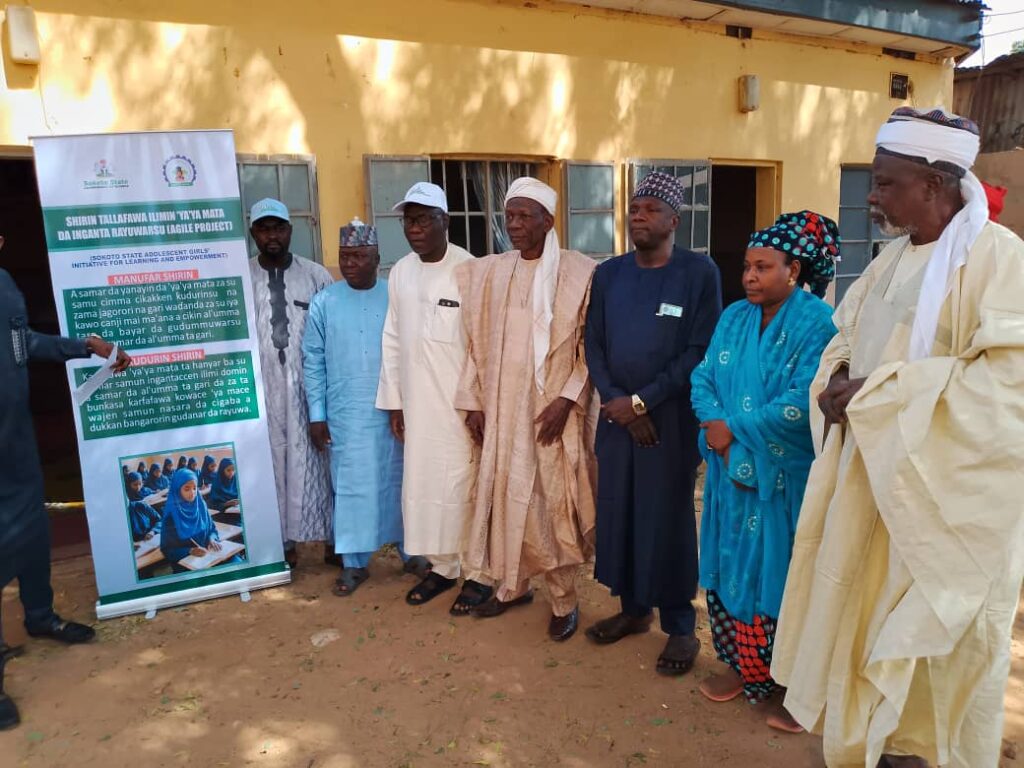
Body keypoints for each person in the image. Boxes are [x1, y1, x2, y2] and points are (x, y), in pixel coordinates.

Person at [771, 107, 1024, 768]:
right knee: (864, 631)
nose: (872, 198)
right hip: (871, 493)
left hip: (948, 518)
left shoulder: (1001, 261)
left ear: (936, 185)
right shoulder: (887, 264)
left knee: (937, 674)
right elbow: (845, 340)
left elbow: (1010, 387)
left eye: (884, 183)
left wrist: (881, 394)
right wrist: (836, 382)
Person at [690, 211, 838, 730]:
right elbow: (703, 374)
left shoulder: (818, 324)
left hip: (781, 481)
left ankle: (790, 685)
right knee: (730, 568)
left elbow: (805, 401)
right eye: (747, 267)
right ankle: (737, 667)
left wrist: (733, 427)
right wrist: (713, 424)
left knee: (782, 577)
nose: (749, 276)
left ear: (794, 270)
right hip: (730, 473)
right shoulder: (733, 317)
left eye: (762, 267)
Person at [583, 172, 722, 674]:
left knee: (665, 517)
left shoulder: (699, 273)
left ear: (673, 220)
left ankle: (681, 628)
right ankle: (633, 610)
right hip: (617, 419)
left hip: (669, 421)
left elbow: (698, 350)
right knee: (620, 512)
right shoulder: (610, 274)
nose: (638, 216)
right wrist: (619, 401)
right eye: (634, 209)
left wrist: (644, 402)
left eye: (649, 209)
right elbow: (593, 344)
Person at [455, 177, 597, 641]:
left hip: (550, 413)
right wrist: (474, 400)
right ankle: (512, 586)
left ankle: (563, 599)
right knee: (502, 498)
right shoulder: (492, 273)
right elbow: (473, 342)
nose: (513, 225)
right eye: (508, 216)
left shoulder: (578, 273)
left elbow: (590, 348)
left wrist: (567, 399)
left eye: (523, 216)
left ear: (548, 221)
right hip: (501, 411)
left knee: (551, 504)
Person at [0, 230, 131, 729]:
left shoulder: (6, 285)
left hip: (14, 438)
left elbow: (22, 342)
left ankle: (40, 616)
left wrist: (84, 346)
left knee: (32, 530)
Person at [375, 182, 489, 612]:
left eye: (424, 219)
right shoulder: (401, 271)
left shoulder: (471, 269)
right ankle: (442, 568)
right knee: (424, 485)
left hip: (459, 406)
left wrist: (477, 401)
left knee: (464, 484)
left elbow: (482, 344)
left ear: (446, 221)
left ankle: (478, 573)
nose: (415, 228)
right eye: (409, 220)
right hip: (418, 407)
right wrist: (395, 401)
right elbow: (391, 339)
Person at [304, 219, 405, 597]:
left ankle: (411, 551)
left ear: (377, 258)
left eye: (359, 256)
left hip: (393, 409)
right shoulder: (325, 302)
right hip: (345, 413)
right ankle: (354, 563)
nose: (350, 263)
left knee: (399, 479)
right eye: (345, 256)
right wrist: (317, 414)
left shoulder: (395, 296)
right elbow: (312, 360)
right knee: (351, 487)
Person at [248, 197, 334, 568]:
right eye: (264, 228)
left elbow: (332, 334)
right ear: (253, 232)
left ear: (290, 231)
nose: (272, 235)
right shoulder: (239, 277)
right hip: (261, 389)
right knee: (271, 462)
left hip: (309, 388)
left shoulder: (316, 276)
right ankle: (283, 545)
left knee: (320, 461)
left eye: (279, 227)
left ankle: (333, 539)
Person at [160, 469, 240, 572]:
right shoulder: (171, 515)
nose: (192, 493)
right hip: (187, 561)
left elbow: (212, 529)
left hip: (209, 553)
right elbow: (167, 550)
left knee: (236, 562)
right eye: (187, 489)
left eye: (194, 488)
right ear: (177, 489)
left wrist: (212, 538)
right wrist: (190, 550)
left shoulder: (201, 505)